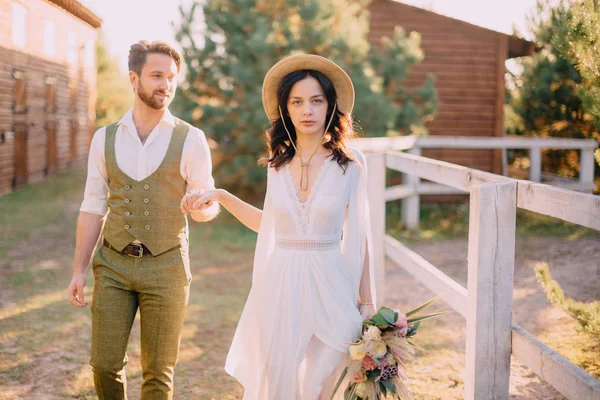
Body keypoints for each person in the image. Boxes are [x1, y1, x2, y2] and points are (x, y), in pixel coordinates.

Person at [192, 54, 377, 399]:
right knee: (280, 375)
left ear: (330, 107)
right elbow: (269, 226)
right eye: (298, 102)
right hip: (282, 280)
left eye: (316, 101)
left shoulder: (351, 165)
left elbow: (359, 232)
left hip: (330, 277)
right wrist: (222, 196)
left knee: (330, 371)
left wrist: (366, 300)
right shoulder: (277, 166)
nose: (307, 109)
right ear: (286, 110)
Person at [66, 40, 219, 400]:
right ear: (134, 78)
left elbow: (207, 205)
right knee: (103, 365)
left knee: (158, 373)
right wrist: (78, 270)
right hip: (114, 265)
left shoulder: (191, 139)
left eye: (171, 77)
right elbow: (92, 205)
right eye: (156, 76)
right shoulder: (104, 138)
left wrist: (200, 207)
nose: (165, 84)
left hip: (167, 268)